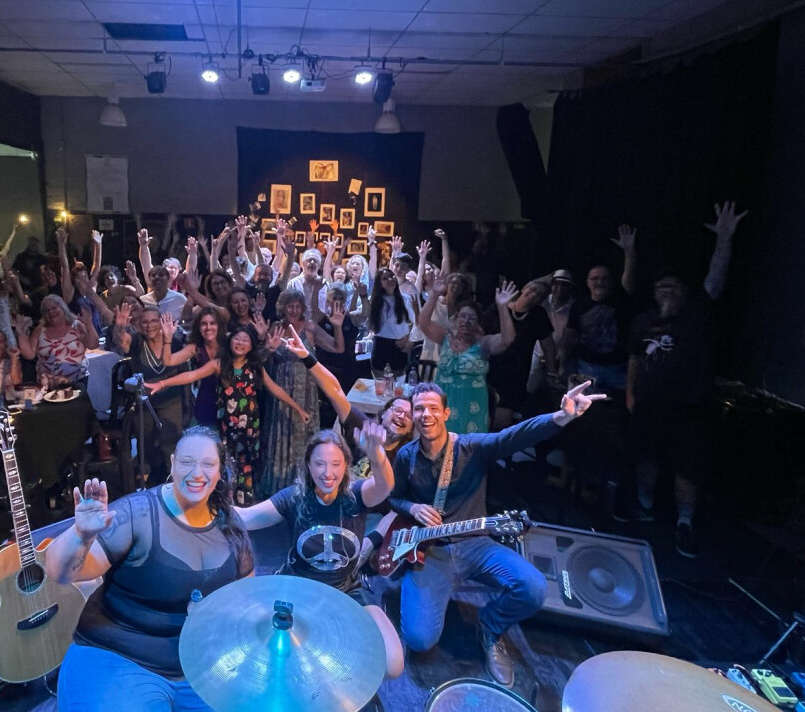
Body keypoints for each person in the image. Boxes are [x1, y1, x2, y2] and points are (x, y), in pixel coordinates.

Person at [389, 381, 605, 687]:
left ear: (446, 413)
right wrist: (412, 508)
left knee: (533, 587)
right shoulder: (405, 457)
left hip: (475, 544)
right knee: (419, 641)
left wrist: (561, 417)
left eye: (433, 408)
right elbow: (395, 498)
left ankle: (490, 626)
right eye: (420, 409)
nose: (426, 415)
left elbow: (512, 437)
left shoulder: (472, 447)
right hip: (430, 551)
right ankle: (433, 592)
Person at [46, 428, 255, 712]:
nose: (197, 473)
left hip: (198, 667)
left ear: (220, 471)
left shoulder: (230, 524)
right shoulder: (137, 514)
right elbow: (62, 573)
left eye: (208, 464)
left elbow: (247, 596)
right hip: (121, 657)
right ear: (172, 464)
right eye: (187, 462)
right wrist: (80, 535)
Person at [623, 202, 746, 558]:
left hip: (687, 409)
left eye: (673, 286)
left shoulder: (697, 317)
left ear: (683, 291)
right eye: (661, 286)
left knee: (687, 470)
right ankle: (645, 507)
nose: (666, 291)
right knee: (646, 460)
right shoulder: (643, 321)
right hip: (646, 406)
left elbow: (716, 280)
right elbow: (633, 357)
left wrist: (724, 238)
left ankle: (685, 524)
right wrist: (631, 395)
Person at [236, 422, 404, 679]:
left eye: (335, 464)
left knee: (393, 664)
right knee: (279, 661)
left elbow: (384, 485)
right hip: (297, 586)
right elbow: (245, 518)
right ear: (308, 465)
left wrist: (376, 454)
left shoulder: (356, 496)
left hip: (346, 588)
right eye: (320, 464)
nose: (327, 473)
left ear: (345, 466)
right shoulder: (294, 497)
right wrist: (204, 496)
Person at [146, 327, 311, 505]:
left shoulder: (255, 367)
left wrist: (298, 409)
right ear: (230, 342)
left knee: (247, 466)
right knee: (227, 464)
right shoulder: (219, 364)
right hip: (227, 427)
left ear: (250, 346)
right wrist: (163, 383)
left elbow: (275, 389)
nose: (240, 343)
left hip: (249, 428)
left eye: (245, 340)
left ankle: (245, 505)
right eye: (237, 339)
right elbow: (191, 375)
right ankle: (225, 503)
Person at [258, 289, 342, 497]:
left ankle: (305, 484)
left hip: (307, 392)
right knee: (280, 433)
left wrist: (338, 327)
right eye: (290, 305)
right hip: (280, 390)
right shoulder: (276, 328)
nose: (294, 310)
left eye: (298, 306)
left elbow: (337, 348)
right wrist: (267, 347)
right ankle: (279, 487)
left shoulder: (310, 328)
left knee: (305, 435)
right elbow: (259, 360)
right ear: (282, 307)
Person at [418, 279, 517, 434]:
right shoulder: (445, 337)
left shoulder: (484, 343)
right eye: (463, 316)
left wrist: (502, 307)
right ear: (456, 319)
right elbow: (423, 323)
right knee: (436, 445)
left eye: (472, 318)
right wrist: (435, 294)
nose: (466, 321)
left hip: (470, 406)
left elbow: (507, 339)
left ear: (478, 324)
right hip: (441, 401)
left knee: (465, 449)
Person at [111, 305, 187, 486]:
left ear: (161, 322)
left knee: (170, 443)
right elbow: (121, 341)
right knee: (146, 444)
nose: (149, 325)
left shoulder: (174, 340)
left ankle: (175, 484)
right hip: (144, 401)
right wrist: (120, 326)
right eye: (144, 322)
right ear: (138, 325)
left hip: (170, 400)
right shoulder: (137, 341)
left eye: (154, 320)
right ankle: (148, 484)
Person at [561, 225, 637, 391]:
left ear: (611, 281)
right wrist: (562, 363)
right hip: (586, 367)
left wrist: (629, 251)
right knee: (583, 411)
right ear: (588, 282)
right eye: (594, 278)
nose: (599, 282)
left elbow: (629, 279)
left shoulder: (620, 301)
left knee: (615, 411)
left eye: (604, 278)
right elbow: (569, 336)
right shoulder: (579, 305)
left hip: (617, 368)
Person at [483, 280, 555, 429]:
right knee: (482, 413)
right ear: (524, 288)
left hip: (515, 374)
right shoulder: (499, 306)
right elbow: (479, 331)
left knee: (500, 425)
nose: (533, 294)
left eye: (539, 294)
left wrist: (552, 372)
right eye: (532, 289)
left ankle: (497, 449)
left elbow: (548, 346)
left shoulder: (538, 315)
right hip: (489, 368)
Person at [17, 294, 98, 389]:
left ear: (62, 308)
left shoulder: (76, 325)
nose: (51, 312)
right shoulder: (40, 330)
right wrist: (20, 333)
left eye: (54, 308)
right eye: (47, 310)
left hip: (77, 381)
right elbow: (29, 354)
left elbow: (93, 344)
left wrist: (88, 323)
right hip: (48, 384)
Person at [367, 267, 417, 375]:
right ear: (379, 283)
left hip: (399, 346)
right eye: (385, 278)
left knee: (398, 386)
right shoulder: (375, 300)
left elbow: (415, 322)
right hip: (381, 345)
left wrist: (409, 339)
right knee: (381, 386)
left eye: (392, 276)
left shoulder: (406, 298)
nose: (390, 279)